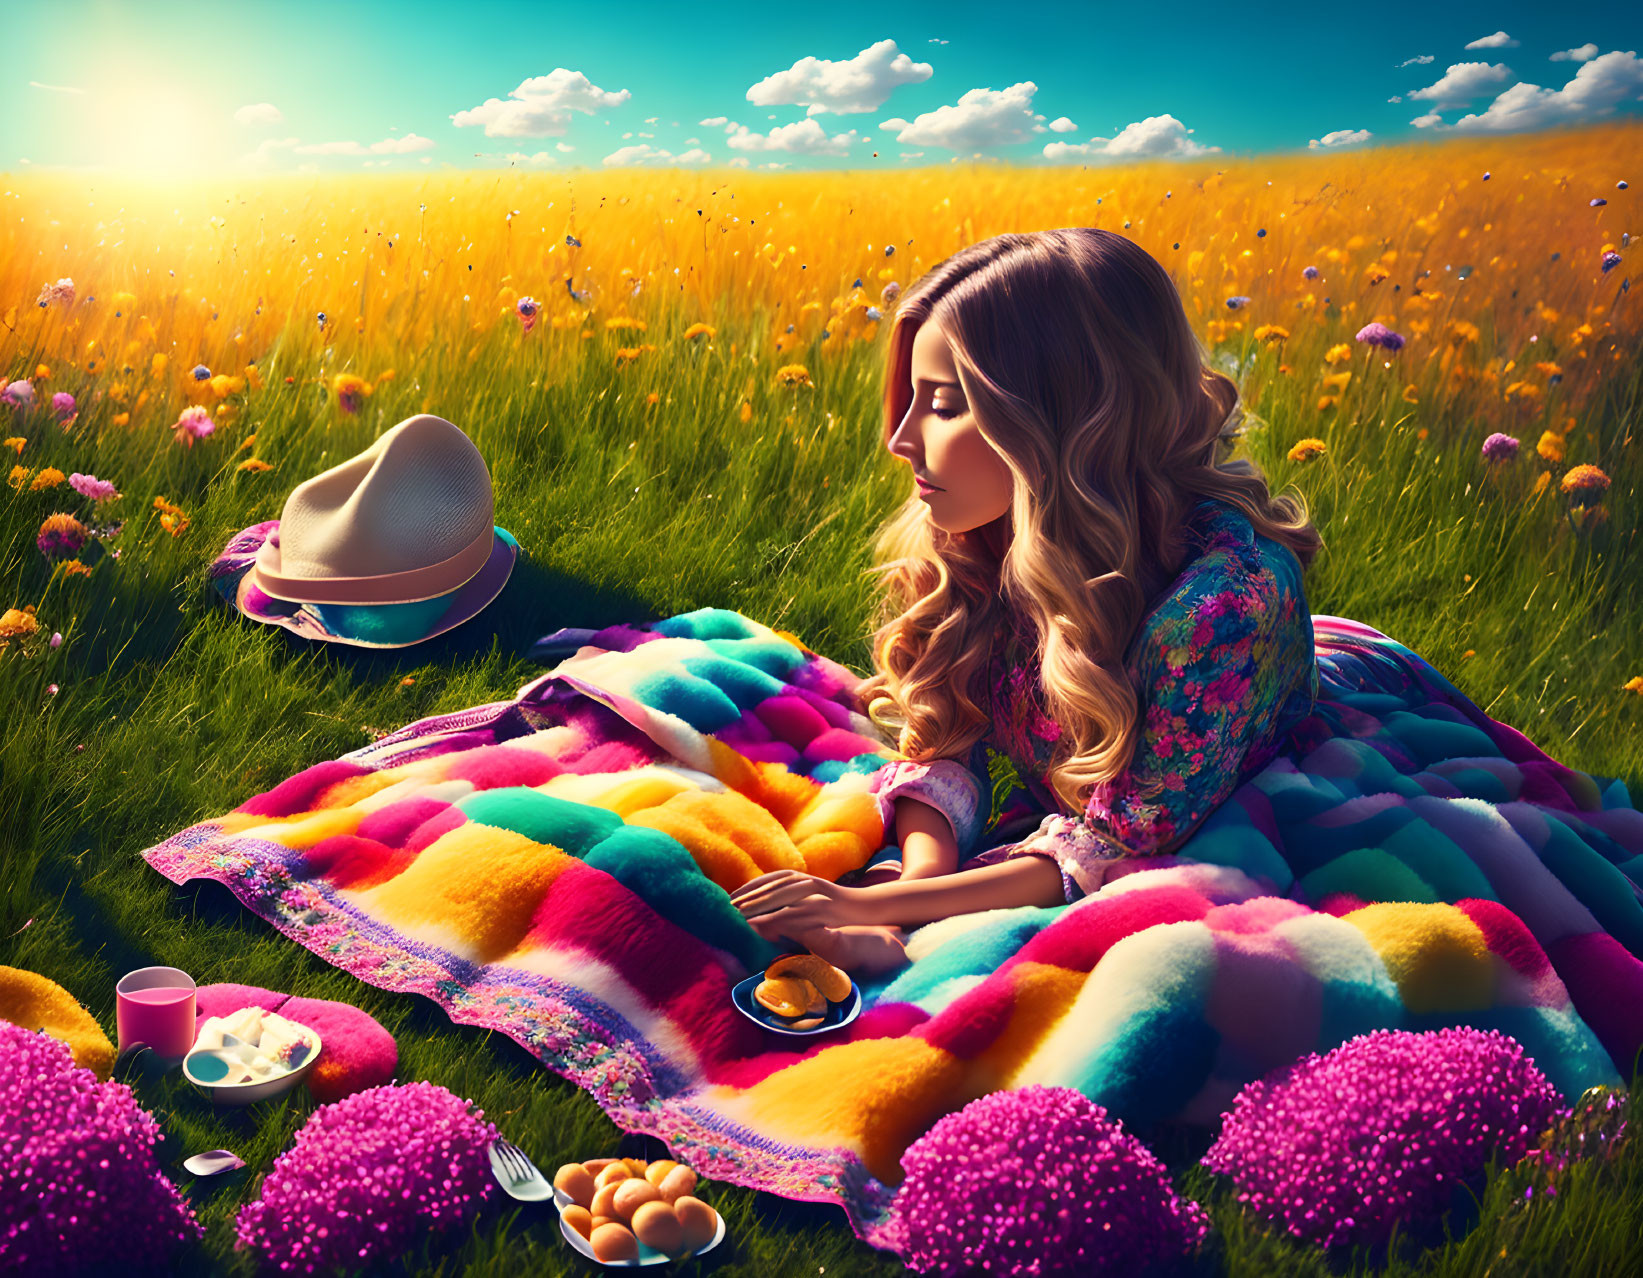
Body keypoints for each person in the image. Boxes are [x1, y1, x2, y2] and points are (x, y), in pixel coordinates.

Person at [733, 227, 1324, 972]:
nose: (900, 438)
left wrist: (865, 905)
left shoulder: (1214, 614)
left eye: (943, 405)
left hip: (1210, 789)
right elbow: (946, 738)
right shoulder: (986, 535)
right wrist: (911, 883)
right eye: (910, 399)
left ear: (1057, 421)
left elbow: (1116, 844)